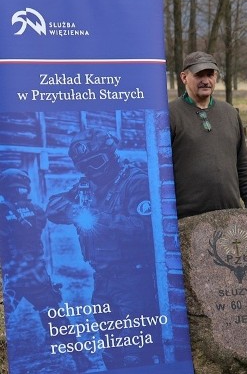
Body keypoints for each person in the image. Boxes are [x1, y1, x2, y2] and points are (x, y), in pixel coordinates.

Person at [47, 128, 163, 368]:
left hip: (134, 281)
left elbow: (142, 228)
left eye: (96, 162)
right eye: (83, 167)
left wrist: (97, 218)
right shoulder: (85, 186)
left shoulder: (135, 181)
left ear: (111, 155)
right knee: (111, 352)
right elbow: (52, 206)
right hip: (102, 280)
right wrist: (75, 210)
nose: (91, 171)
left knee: (136, 354)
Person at [0, 168, 91, 371]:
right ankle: (79, 357)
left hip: (10, 277)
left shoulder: (3, 211)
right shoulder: (37, 210)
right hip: (35, 275)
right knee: (54, 316)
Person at [169, 51, 247, 218]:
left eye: (210, 74)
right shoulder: (169, 115)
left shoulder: (230, 113)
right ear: (184, 77)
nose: (205, 81)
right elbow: (160, 172)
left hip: (231, 214)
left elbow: (243, 165)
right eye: (199, 75)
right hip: (188, 219)